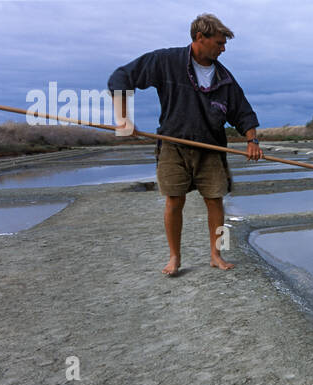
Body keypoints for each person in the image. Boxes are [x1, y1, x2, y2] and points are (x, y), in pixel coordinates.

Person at [108, 13, 263, 276]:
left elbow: (242, 111)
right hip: (173, 146)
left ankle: (217, 254)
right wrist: (123, 118)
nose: (223, 49)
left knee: (216, 202)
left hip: (212, 149)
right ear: (199, 38)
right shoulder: (166, 61)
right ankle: (174, 257)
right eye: (219, 43)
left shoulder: (224, 77)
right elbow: (121, 77)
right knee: (174, 201)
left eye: (225, 44)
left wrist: (253, 140)